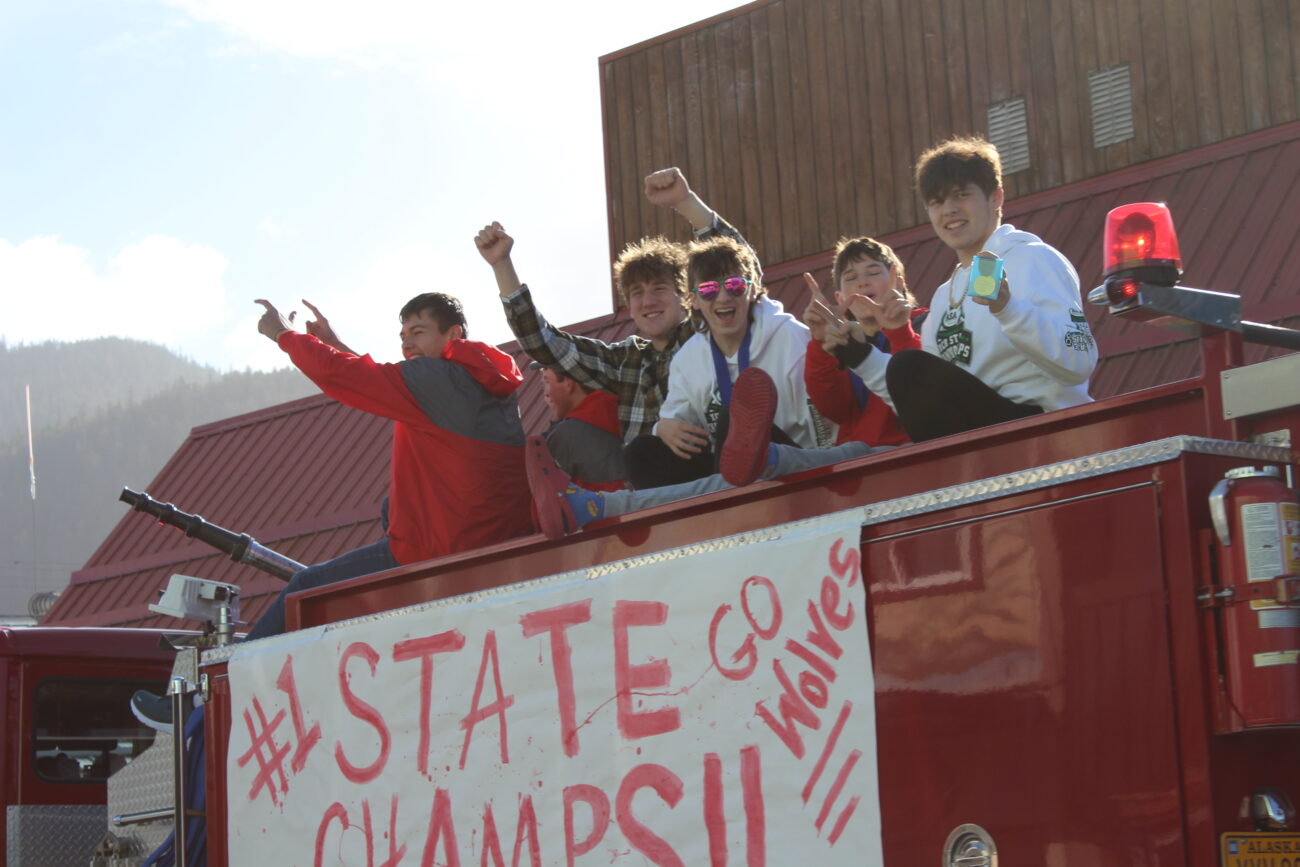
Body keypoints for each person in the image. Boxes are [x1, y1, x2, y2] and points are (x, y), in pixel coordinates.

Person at [132, 293, 532, 731]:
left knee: (309, 588)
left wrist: (284, 335)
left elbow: (344, 378)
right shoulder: (486, 382)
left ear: (453, 335)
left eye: (418, 332)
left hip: (433, 553)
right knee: (389, 509)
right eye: (402, 335)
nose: (407, 343)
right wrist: (335, 342)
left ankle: (207, 706)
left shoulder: (435, 380)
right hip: (477, 546)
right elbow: (380, 380)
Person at [476, 166, 744, 489]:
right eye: (636, 294)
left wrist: (685, 202)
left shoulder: (706, 331)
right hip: (652, 487)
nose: (648, 301)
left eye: (659, 289)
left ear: (685, 296)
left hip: (714, 472)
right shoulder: (627, 360)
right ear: (628, 307)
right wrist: (502, 265)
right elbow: (544, 344)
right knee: (611, 447)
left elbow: (740, 269)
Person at [836, 137, 1097, 441]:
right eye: (936, 201)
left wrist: (1008, 309)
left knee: (909, 366)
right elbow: (921, 399)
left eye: (961, 195)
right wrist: (857, 355)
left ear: (996, 198)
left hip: (1042, 429)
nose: (949, 210)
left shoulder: (1032, 258)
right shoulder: (944, 294)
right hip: (984, 443)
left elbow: (1079, 364)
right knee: (908, 370)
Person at [801, 236, 923, 448]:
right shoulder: (842, 338)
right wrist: (820, 343)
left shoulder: (925, 324)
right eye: (851, 278)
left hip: (909, 450)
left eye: (874, 273)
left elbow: (920, 392)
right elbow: (833, 410)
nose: (862, 282)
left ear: (900, 284)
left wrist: (899, 330)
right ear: (839, 298)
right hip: (855, 460)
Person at [533, 362, 626, 491]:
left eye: (547, 382)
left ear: (569, 384)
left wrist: (557, 422)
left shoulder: (566, 433)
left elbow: (550, 498)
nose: (546, 394)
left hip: (602, 509)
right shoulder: (624, 409)